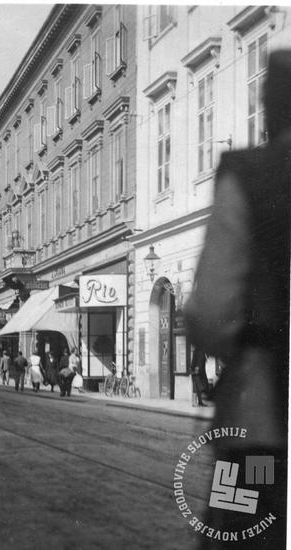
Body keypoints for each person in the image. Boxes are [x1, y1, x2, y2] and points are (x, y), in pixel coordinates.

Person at [184, 50, 290, 550]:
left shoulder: (251, 176)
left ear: (270, 110)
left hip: (261, 425)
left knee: (241, 532)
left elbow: (208, 312)